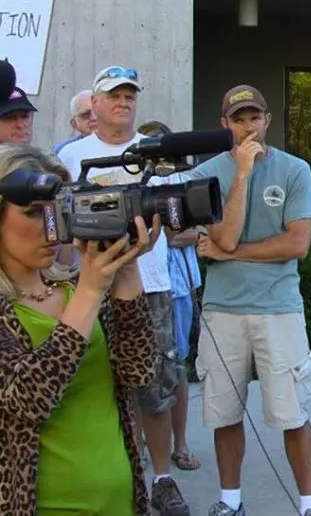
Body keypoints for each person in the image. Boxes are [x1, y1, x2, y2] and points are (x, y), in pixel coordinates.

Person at [57, 66, 191, 516]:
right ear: (94, 105)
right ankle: (119, 472)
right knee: (97, 383)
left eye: (130, 95)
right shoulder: (72, 157)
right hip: (88, 288)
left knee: (154, 388)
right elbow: (56, 226)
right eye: (113, 95)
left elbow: (178, 225)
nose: (123, 102)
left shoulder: (157, 156)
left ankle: (162, 479)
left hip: (150, 287)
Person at [0, 144, 159, 516]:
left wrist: (126, 269)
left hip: (119, 501)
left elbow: (139, 372)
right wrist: (89, 290)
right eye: (33, 212)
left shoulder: (74, 288)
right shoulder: (81, 292)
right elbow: (27, 399)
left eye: (58, 210)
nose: (51, 226)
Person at [190, 85, 311, 516]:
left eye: (255, 117)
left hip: (278, 309)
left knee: (292, 414)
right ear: (225, 123)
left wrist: (231, 252)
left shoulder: (295, 169)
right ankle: (231, 502)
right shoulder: (205, 174)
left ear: (267, 119)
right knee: (225, 414)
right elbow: (223, 234)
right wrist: (242, 174)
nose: (249, 126)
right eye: (239, 118)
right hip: (222, 309)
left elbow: (297, 244)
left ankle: (308, 505)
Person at [138, 120, 204, 473]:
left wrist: (181, 231)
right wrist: (179, 231)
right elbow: (173, 234)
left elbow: (198, 228)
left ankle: (180, 443)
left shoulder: (180, 179)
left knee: (176, 366)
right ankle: (140, 444)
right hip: (148, 286)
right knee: (140, 368)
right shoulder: (139, 182)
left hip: (180, 287)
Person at [53, 89, 97, 155]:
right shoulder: (63, 151)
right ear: (74, 124)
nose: (94, 118)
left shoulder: (118, 146)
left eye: (98, 112)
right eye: (86, 114)